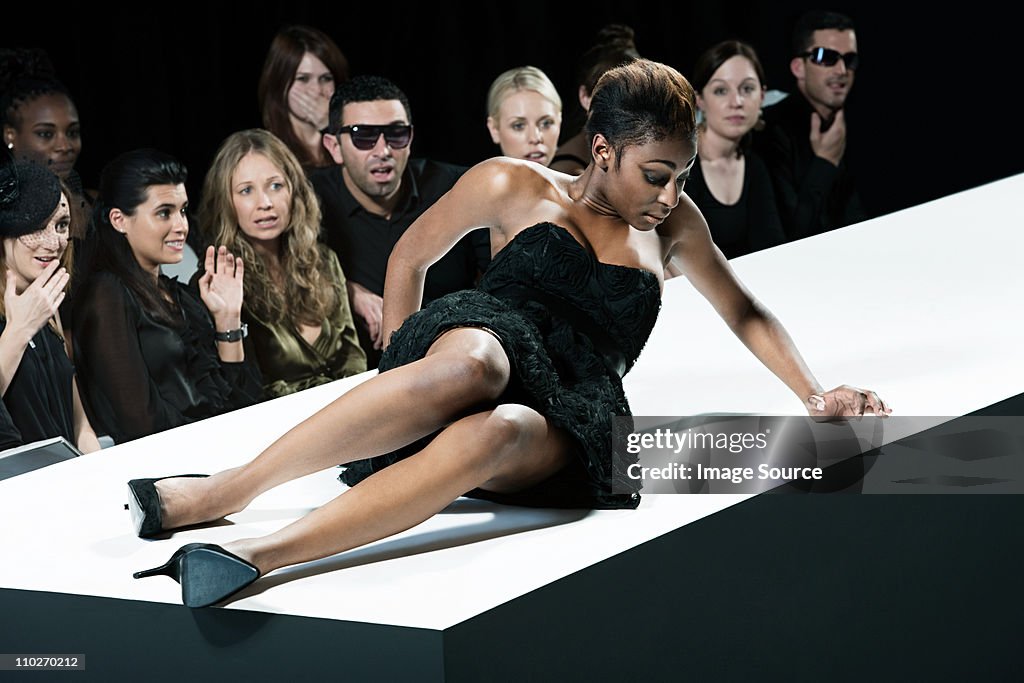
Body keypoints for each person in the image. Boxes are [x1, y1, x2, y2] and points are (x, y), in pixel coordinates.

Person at [126, 59, 889, 608]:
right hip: (479, 340)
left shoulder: (678, 228)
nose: (672, 193)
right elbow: (411, 253)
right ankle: (222, 491)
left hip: (577, 403)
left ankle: (258, 555)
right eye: (656, 173)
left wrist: (818, 394)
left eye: (683, 175)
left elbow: (747, 312)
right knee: (479, 364)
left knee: (505, 427)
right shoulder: (513, 184)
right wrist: (395, 378)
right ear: (603, 150)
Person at [74, 149, 262, 444]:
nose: (182, 226)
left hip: (222, 452)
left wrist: (228, 321)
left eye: (183, 211)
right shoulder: (106, 293)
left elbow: (244, 399)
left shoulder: (183, 296)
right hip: (168, 469)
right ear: (119, 220)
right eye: (164, 213)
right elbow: (140, 423)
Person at [310, 75, 490, 367]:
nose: (382, 151)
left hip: (454, 361)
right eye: (363, 136)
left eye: (396, 134)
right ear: (333, 146)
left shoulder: (458, 188)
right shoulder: (308, 201)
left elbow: (504, 281)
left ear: (411, 138)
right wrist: (344, 290)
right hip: (349, 375)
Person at [198, 129, 365, 398]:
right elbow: (244, 391)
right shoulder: (218, 280)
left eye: (276, 186)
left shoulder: (323, 260)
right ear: (226, 201)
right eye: (246, 190)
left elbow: (354, 360)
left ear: (293, 192)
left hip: (350, 410)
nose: (265, 203)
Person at [0, 154, 100, 452]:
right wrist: (19, 330)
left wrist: (99, 473)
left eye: (61, 225)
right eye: (37, 226)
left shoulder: (48, 307)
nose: (54, 242)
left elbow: (80, 424)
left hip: (67, 476)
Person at [754, 9, 866, 240]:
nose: (841, 71)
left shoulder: (852, 119)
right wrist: (825, 163)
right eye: (826, 57)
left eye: (849, 59)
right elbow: (788, 236)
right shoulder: (768, 131)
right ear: (798, 67)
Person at [684, 40, 786, 259]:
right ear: (700, 99)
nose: (736, 101)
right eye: (721, 91)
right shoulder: (680, 166)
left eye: (747, 89)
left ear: (761, 96)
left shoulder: (755, 166)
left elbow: (772, 250)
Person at [0, 49, 91, 226]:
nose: (65, 146)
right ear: (9, 135)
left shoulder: (97, 204)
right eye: (45, 134)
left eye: (72, 132)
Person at [550, 24, 640, 176]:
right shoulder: (567, 170)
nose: (625, 110)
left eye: (636, 97)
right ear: (584, 97)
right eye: (610, 97)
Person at [258, 25, 349, 170]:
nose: (316, 90)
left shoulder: (350, 140)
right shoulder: (266, 150)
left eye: (326, 79)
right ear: (280, 83)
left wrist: (330, 127)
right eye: (303, 79)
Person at [485, 66, 562, 167]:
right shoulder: (471, 182)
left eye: (546, 123)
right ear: (494, 129)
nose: (535, 138)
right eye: (518, 126)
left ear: (559, 121)